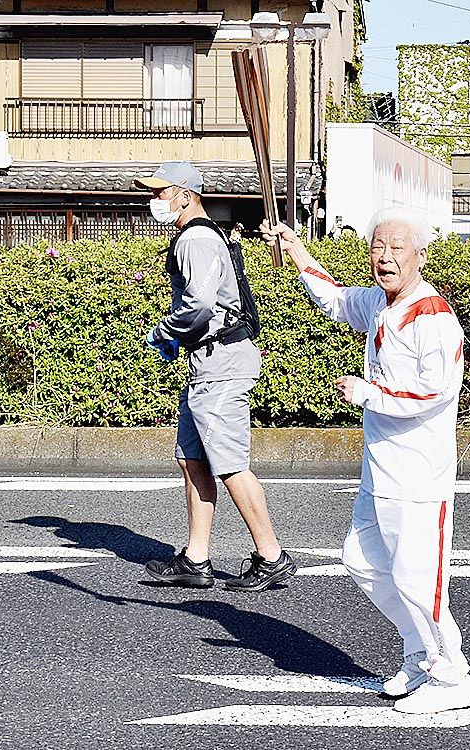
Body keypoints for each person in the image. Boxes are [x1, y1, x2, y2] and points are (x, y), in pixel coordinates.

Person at [261, 208, 470, 715]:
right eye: (378, 246)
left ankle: (453, 676)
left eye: (397, 247)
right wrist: (296, 249)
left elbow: (436, 391)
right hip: (379, 467)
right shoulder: (380, 304)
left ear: (421, 255)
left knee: (418, 579)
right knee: (361, 561)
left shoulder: (433, 317)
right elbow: (335, 299)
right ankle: (420, 653)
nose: (385, 257)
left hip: (419, 473)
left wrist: (369, 393)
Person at [136, 161, 295, 592]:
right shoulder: (198, 236)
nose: (154, 200)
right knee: (192, 457)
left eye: (160, 192)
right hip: (208, 361)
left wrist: (165, 332)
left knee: (228, 463)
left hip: (222, 364)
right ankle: (196, 558)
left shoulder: (198, 239)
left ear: (186, 195)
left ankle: (272, 557)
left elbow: (201, 304)